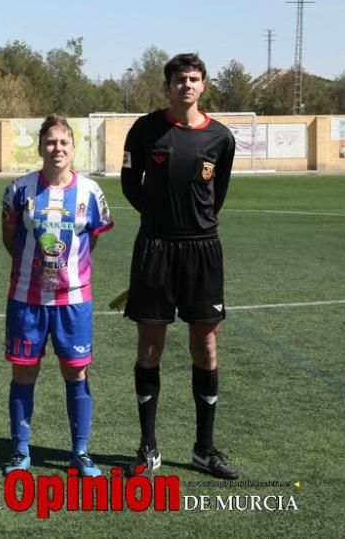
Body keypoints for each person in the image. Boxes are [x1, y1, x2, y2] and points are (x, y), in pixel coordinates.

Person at [120, 53, 238, 480]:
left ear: (203, 84)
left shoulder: (221, 138)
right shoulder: (146, 129)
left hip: (203, 251)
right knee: (150, 346)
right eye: (178, 79)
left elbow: (217, 193)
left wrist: (195, 222)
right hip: (155, 248)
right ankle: (147, 447)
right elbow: (130, 184)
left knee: (205, 346)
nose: (186, 85)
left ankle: (204, 449)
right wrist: (157, 217)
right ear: (167, 86)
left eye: (193, 79)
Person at [1, 116, 113, 477]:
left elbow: (90, 239)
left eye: (64, 142)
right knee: (23, 373)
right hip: (27, 298)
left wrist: (68, 270)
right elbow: (10, 238)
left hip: (74, 301)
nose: (57, 148)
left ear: (72, 147)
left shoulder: (91, 193)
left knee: (76, 373)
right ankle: (20, 450)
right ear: (40, 147)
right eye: (51, 142)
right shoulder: (19, 189)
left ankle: (80, 452)